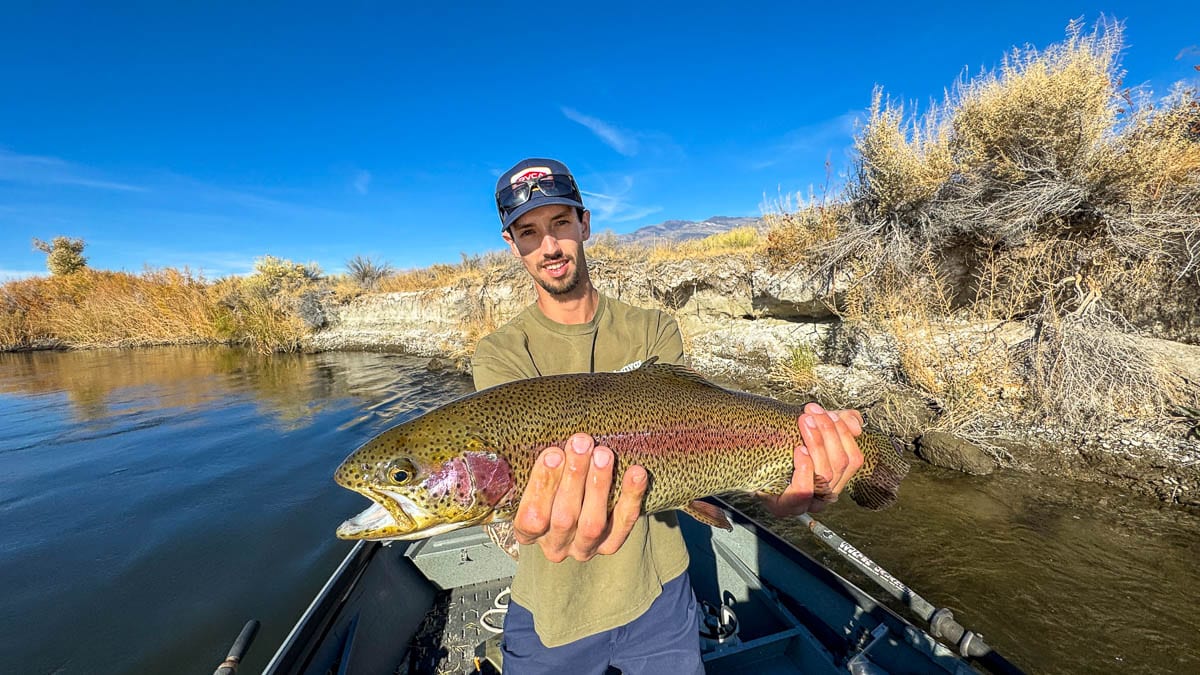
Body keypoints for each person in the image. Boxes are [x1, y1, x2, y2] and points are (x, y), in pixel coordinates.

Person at [471, 158, 866, 674]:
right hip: (554, 607)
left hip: (661, 593)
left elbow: (699, 437)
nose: (549, 247)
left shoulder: (653, 327)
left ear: (585, 224)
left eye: (560, 224)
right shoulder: (499, 353)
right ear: (512, 244)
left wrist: (781, 486)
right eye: (529, 232)